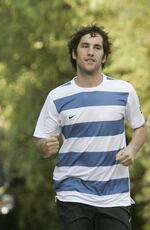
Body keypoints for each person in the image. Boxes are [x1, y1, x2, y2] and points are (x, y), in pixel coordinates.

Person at [34, 24, 147, 230]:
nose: (91, 51)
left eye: (97, 47)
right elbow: (42, 142)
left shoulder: (124, 91)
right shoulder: (57, 96)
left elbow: (140, 128)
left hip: (114, 194)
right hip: (73, 190)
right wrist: (45, 146)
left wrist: (132, 149)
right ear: (74, 53)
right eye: (85, 46)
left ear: (103, 56)